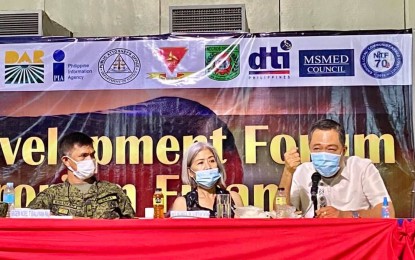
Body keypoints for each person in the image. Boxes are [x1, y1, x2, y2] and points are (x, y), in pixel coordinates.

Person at [279, 119, 395, 218]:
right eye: (317, 148)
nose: (323, 155)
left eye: (331, 149)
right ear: (310, 148)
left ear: (343, 150)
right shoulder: (302, 172)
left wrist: (344, 215)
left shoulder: (362, 168)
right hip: (314, 239)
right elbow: (281, 212)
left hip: (355, 239)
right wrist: (287, 172)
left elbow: (387, 212)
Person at [29, 132, 135, 219]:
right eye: (83, 156)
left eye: (92, 155)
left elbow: (131, 228)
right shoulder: (50, 196)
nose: (90, 160)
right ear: (66, 161)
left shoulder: (112, 191)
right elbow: (27, 222)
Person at [171, 142, 244, 217]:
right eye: (200, 163)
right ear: (190, 172)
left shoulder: (233, 198)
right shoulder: (183, 203)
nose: (208, 167)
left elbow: (243, 228)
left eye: (212, 161)